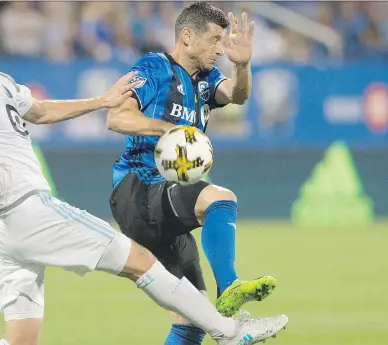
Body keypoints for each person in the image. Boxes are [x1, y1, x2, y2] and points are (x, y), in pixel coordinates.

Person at [0, 2, 287, 345]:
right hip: (27, 208)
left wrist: (100, 101)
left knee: (21, 339)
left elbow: (39, 112)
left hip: (9, 225)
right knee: (140, 261)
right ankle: (231, 332)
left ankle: (223, 327)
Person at [107, 2, 278, 344]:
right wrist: (169, 130)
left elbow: (238, 95)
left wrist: (242, 65)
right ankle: (229, 285)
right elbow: (117, 118)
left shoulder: (205, 80)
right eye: (215, 40)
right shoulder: (155, 67)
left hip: (165, 202)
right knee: (220, 197)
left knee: (192, 320)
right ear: (187, 36)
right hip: (139, 188)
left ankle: (220, 299)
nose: (220, 49)